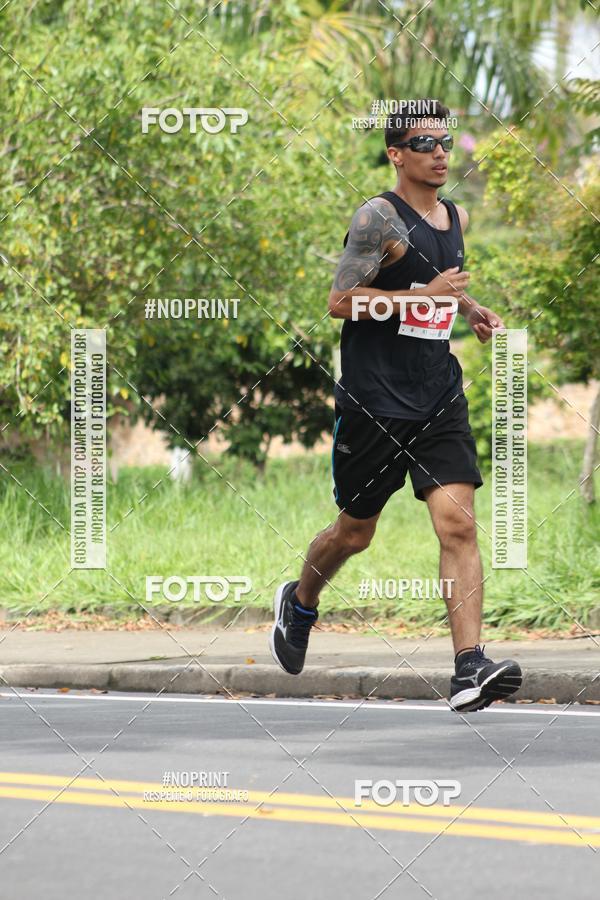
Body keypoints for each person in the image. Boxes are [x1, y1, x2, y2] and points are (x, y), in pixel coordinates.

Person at [269, 99, 522, 712]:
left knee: (458, 524)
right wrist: (420, 299)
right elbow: (339, 303)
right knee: (354, 533)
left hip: (438, 393)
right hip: (375, 399)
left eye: (445, 141)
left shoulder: (452, 214)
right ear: (396, 154)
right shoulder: (377, 219)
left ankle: (468, 668)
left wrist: (467, 308)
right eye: (424, 141)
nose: (439, 152)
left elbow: (439, 281)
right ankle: (300, 602)